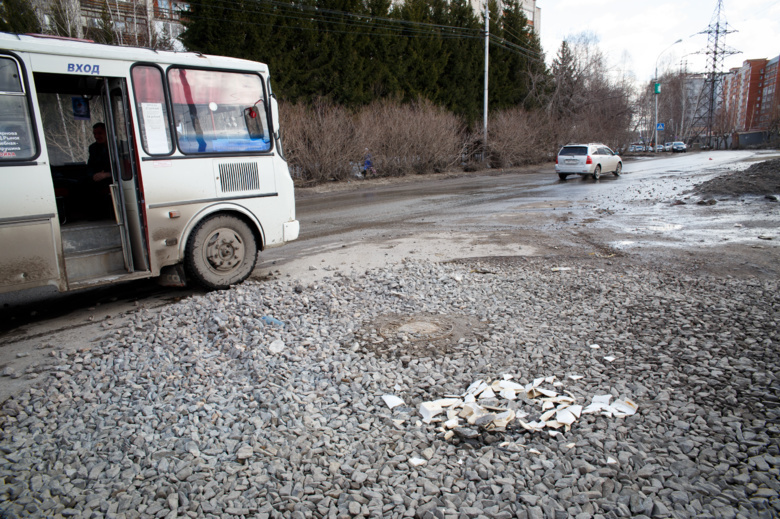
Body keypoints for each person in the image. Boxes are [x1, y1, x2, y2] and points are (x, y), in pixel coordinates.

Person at [81, 122, 114, 219]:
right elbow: (90, 165)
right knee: (84, 184)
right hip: (97, 177)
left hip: (113, 177)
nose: (97, 136)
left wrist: (108, 174)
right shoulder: (93, 148)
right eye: (95, 134)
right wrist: (93, 175)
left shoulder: (117, 145)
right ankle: (93, 216)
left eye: (99, 133)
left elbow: (124, 167)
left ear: (107, 133)